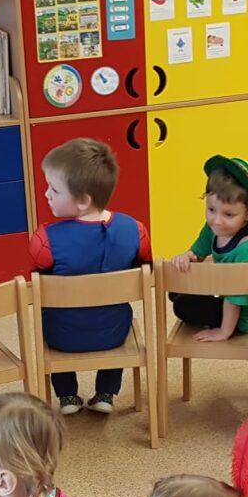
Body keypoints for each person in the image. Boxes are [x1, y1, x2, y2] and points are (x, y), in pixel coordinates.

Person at [28, 138, 153, 415]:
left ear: (83, 201)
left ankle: (67, 396)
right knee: (118, 310)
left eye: (54, 189)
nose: (46, 194)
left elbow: (40, 281)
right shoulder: (135, 230)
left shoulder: (44, 239)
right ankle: (106, 392)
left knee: (51, 313)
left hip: (62, 337)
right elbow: (145, 266)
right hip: (113, 334)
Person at [167, 155, 248, 353]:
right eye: (211, 209)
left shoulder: (247, 249)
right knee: (177, 284)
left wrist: (224, 331)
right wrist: (187, 256)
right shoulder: (215, 227)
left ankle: (228, 326)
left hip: (246, 314)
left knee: (181, 306)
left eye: (228, 214)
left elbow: (236, 297)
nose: (216, 221)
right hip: (224, 289)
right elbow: (197, 254)